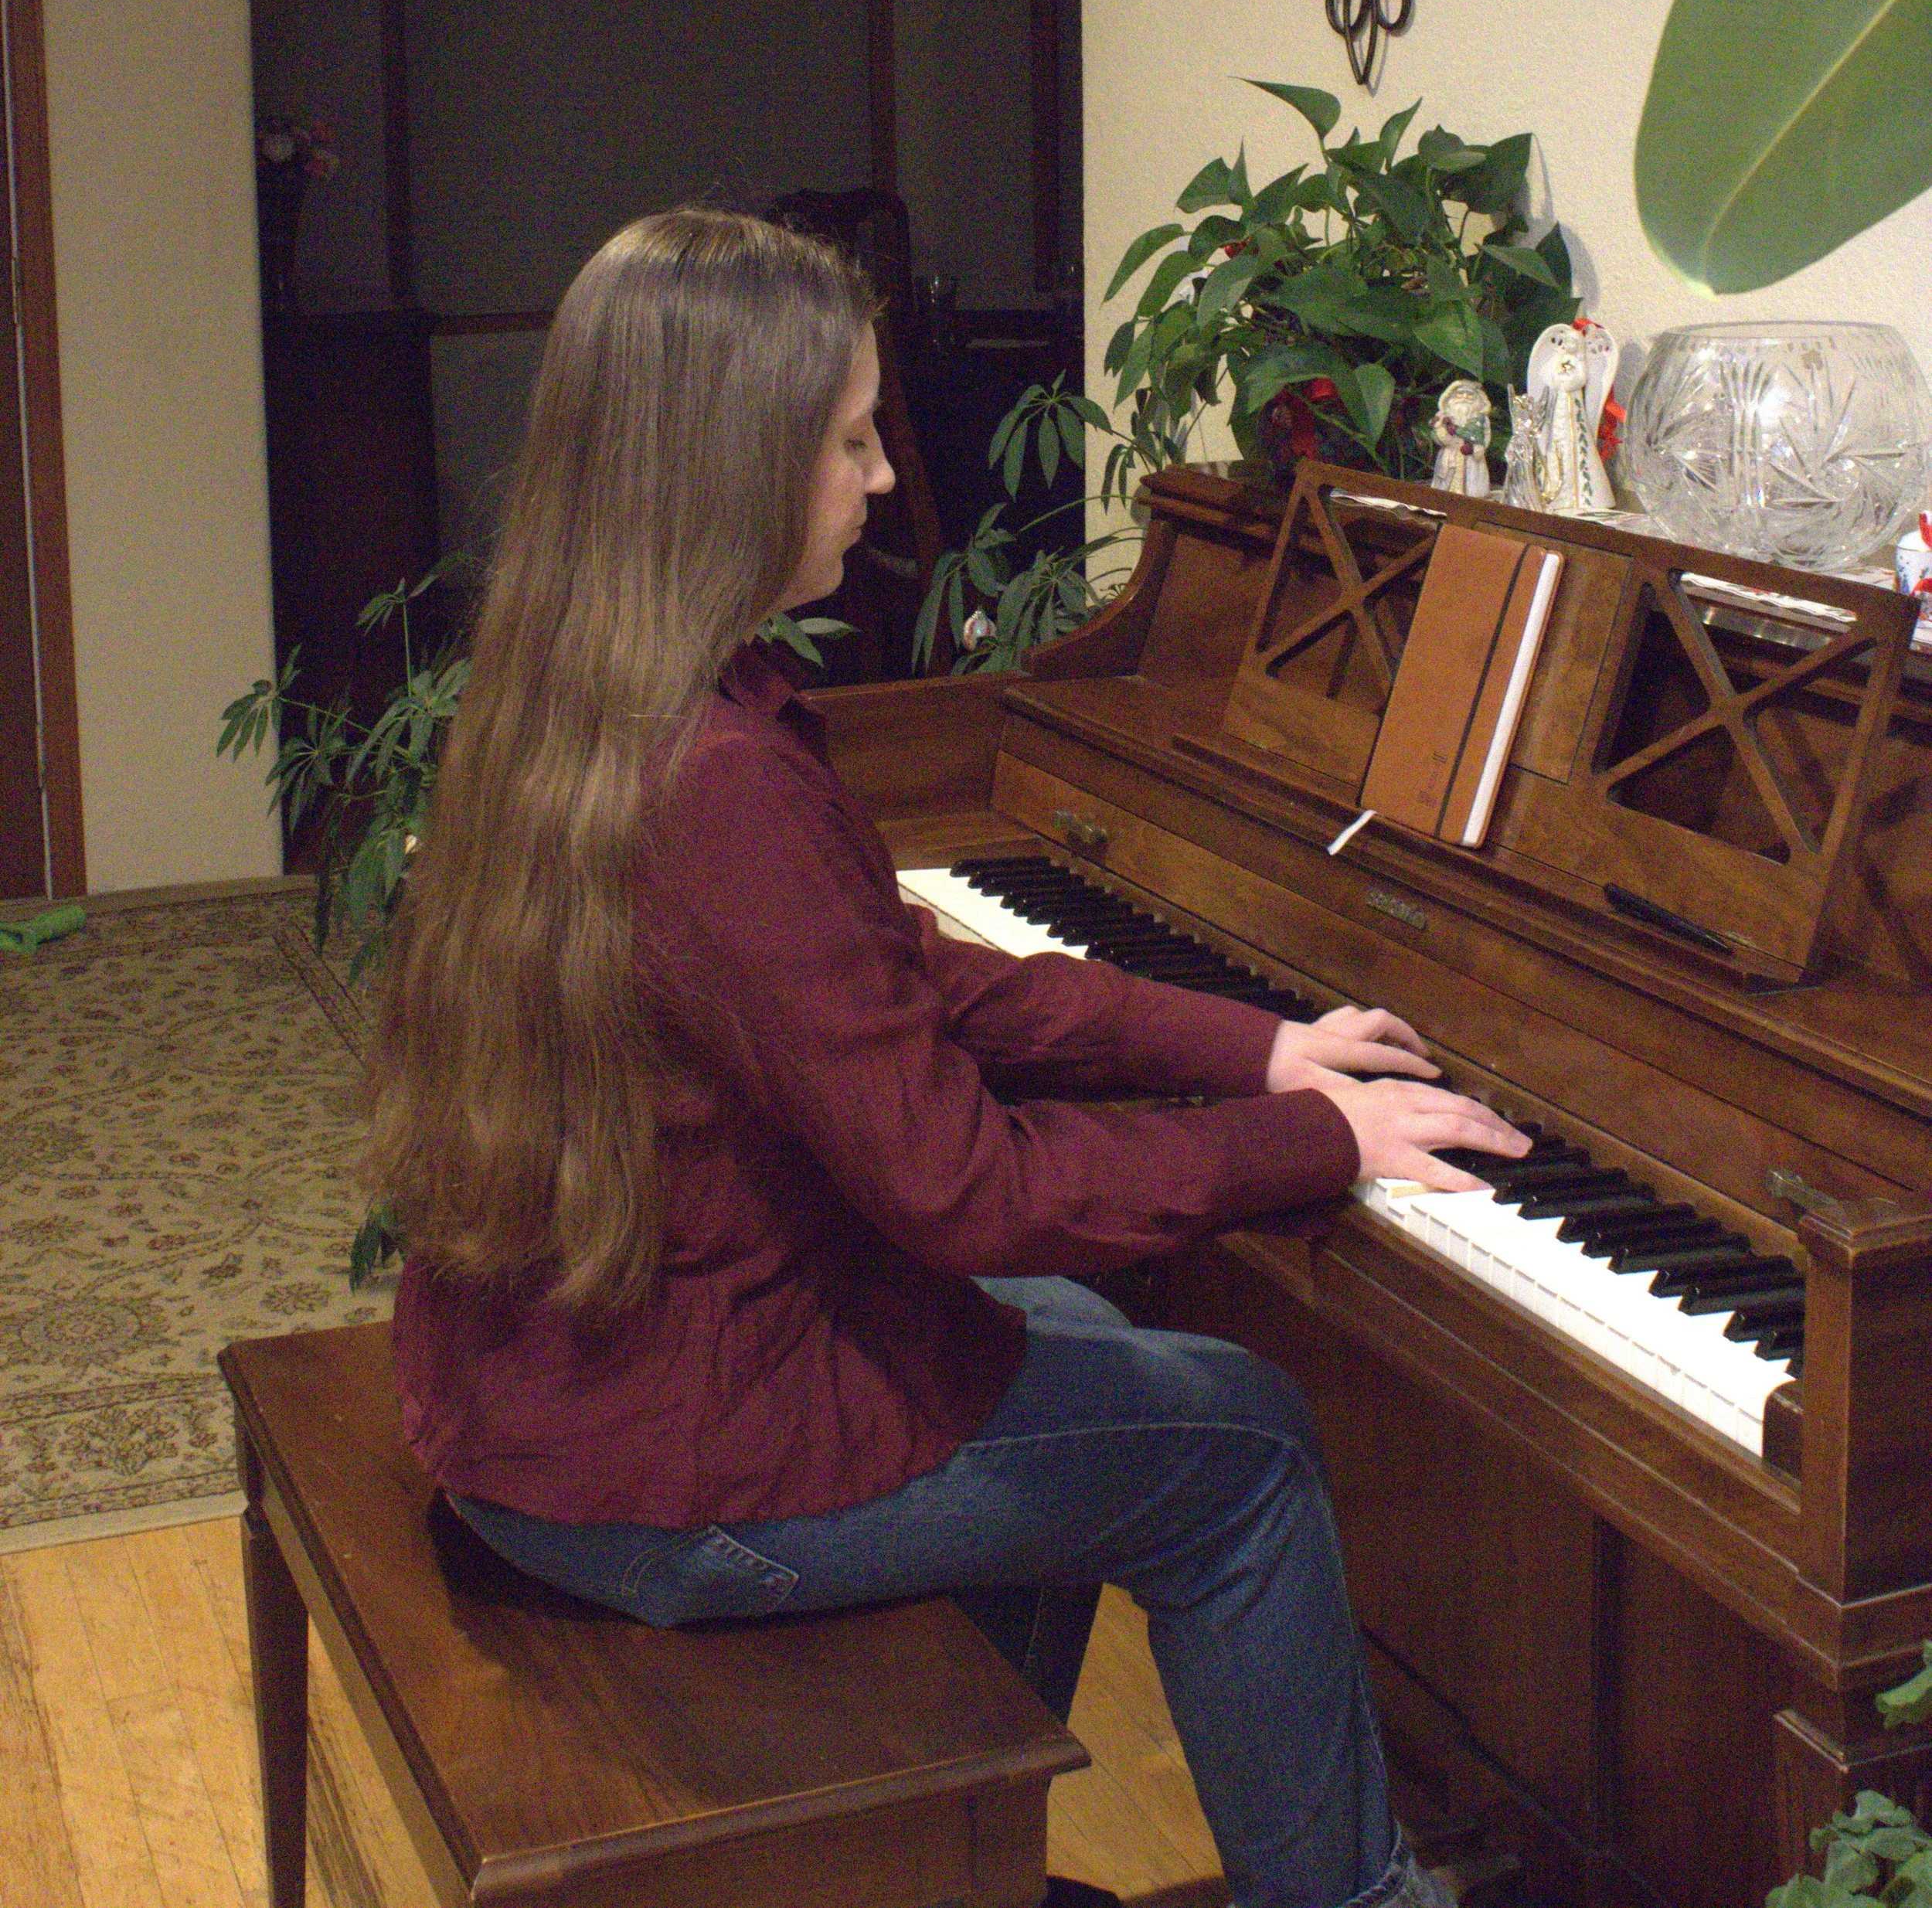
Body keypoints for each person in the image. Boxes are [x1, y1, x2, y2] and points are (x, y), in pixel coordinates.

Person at [363, 208, 1529, 1908]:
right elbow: (960, 1185)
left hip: (545, 1394)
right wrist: (1320, 1149)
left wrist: (1259, 1046)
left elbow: (913, 983)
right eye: (845, 439)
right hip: (655, 1468)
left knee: (1068, 1342)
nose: (885, 478)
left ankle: (944, 1860)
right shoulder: (719, 781)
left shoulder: (585, 688)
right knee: (1245, 1447)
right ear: (730, 465)